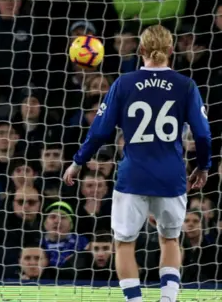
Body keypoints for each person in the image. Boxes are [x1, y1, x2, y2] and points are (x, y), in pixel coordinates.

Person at [63, 24, 212, 302]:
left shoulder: (123, 83)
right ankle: (168, 299)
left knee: (124, 243)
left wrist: (77, 162)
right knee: (169, 239)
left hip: (132, 177)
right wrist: (203, 166)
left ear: (140, 50)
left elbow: (100, 131)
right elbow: (202, 134)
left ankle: (135, 300)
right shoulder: (186, 85)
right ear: (170, 50)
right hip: (171, 176)